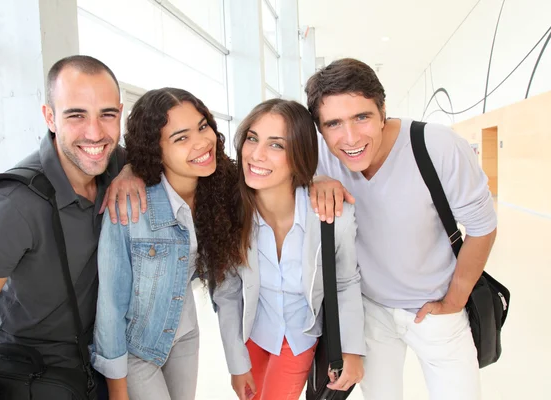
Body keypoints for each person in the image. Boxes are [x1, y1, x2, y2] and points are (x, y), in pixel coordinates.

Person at [305, 58, 497, 400]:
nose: (350, 138)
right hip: (371, 310)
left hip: (436, 308)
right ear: (320, 128)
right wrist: (314, 180)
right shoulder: (320, 155)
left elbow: (482, 228)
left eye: (361, 117)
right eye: (333, 123)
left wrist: (454, 300)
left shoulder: (438, 146)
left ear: (382, 112)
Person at [0, 55, 138, 399]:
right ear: (50, 117)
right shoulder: (11, 206)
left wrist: (132, 171)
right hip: (32, 378)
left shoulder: (116, 164)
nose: (95, 132)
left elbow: (159, 155)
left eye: (107, 115)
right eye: (76, 115)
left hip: (98, 368)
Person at [91, 88, 242, 400]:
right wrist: (118, 392)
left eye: (203, 127)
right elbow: (110, 304)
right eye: (181, 138)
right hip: (137, 349)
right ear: (156, 151)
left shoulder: (220, 187)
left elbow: (275, 175)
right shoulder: (132, 207)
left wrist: (319, 180)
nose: (202, 142)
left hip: (185, 334)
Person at [212, 99, 365, 400]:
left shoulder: (333, 216)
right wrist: (236, 362)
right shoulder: (232, 213)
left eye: (276, 145)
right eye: (252, 139)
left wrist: (352, 349)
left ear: (299, 156)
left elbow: (346, 282)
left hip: (298, 335)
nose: (256, 154)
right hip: (253, 334)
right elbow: (227, 291)